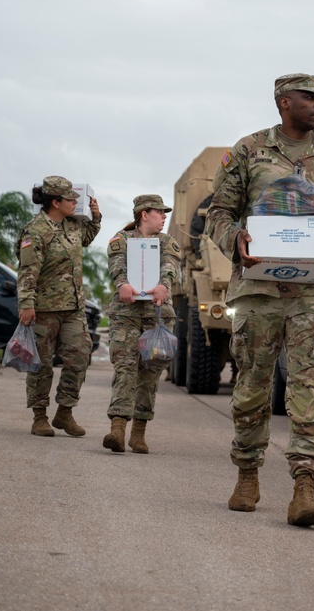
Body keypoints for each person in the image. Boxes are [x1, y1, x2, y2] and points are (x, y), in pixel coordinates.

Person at [206, 73, 314, 527]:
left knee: (309, 384)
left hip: (313, 290)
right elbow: (219, 212)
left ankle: (305, 486)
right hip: (257, 289)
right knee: (252, 383)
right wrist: (234, 239)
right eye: (309, 98)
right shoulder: (250, 150)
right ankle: (248, 473)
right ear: (283, 102)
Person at [17, 176, 101, 437]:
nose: (76, 202)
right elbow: (28, 271)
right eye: (70, 199)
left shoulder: (72, 226)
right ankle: (39, 416)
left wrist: (96, 218)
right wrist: (26, 304)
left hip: (73, 308)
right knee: (41, 364)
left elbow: (86, 238)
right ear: (55, 202)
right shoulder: (36, 231)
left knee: (79, 356)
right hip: (44, 309)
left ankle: (65, 412)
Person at [103, 194, 181, 454]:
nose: (164, 217)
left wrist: (163, 286)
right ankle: (117, 428)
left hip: (156, 314)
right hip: (127, 312)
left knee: (150, 373)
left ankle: (139, 432)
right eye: (160, 212)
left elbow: (170, 267)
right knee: (125, 368)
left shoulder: (167, 242)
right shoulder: (121, 239)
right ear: (144, 214)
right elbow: (116, 265)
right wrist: (123, 284)